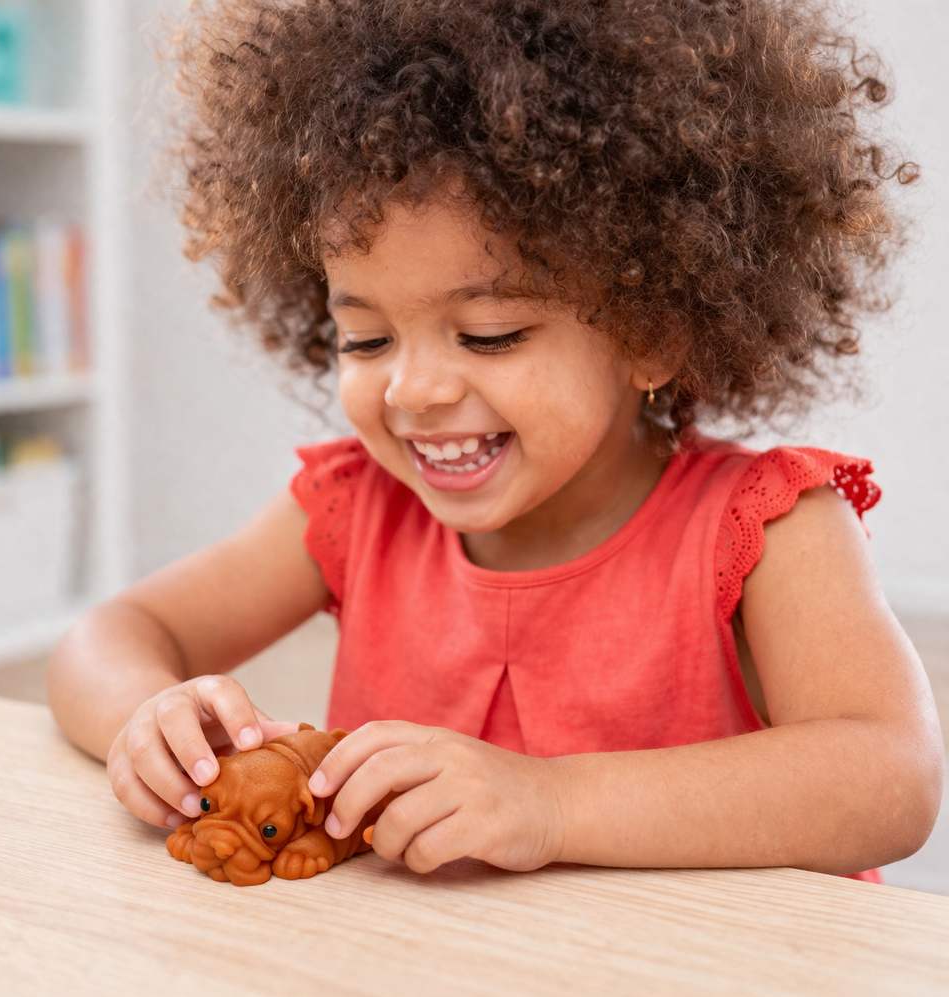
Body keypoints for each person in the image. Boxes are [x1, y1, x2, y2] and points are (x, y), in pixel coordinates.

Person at [48, 0, 944, 885]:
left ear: (651, 332)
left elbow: (890, 779)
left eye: (488, 335)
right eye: (365, 339)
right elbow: (115, 632)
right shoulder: (359, 506)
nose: (412, 389)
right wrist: (147, 720)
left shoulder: (768, 529)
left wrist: (550, 802)